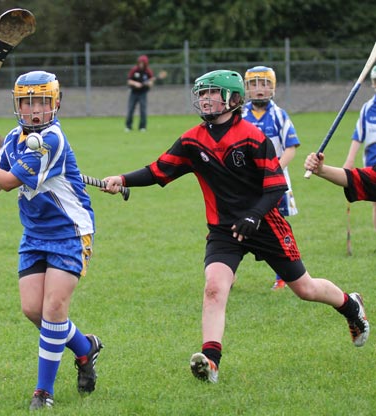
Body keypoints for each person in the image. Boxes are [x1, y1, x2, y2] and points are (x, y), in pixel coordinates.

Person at [102, 69, 369, 384]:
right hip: (223, 230)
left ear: (234, 99)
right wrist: (122, 179)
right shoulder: (191, 140)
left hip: (265, 224)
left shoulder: (254, 138)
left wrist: (253, 216)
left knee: (305, 288)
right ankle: (211, 362)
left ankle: (350, 306)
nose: (204, 99)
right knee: (214, 288)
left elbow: (275, 188)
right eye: (201, 94)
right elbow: (159, 170)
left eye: (211, 93)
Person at [0, 71, 103, 410]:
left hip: (70, 233)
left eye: (42, 102)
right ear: (17, 105)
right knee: (33, 309)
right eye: (27, 102)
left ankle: (43, 393)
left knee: (53, 309)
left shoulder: (52, 139)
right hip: (35, 235)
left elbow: (6, 182)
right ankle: (84, 348)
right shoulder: (15, 140)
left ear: (56, 104)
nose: (35, 110)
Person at [242, 65, 300, 290]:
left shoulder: (279, 115)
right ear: (247, 88)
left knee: (277, 230)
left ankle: (282, 276)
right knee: (236, 225)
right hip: (246, 184)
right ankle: (229, 273)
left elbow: (291, 148)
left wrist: (272, 171)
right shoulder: (241, 115)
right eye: (254, 84)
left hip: (274, 185)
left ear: (272, 87)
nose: (259, 89)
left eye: (264, 84)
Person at [342, 65, 376, 230]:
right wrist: (349, 160)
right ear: (373, 84)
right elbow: (358, 136)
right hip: (372, 164)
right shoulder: (367, 109)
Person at [125, 55, 155, 132]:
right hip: (133, 92)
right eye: (140, 63)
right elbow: (129, 81)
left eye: (143, 63)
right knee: (130, 109)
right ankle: (128, 126)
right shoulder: (134, 70)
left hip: (143, 93)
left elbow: (151, 83)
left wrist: (149, 83)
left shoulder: (148, 71)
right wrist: (135, 84)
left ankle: (142, 127)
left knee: (143, 110)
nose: (141, 64)